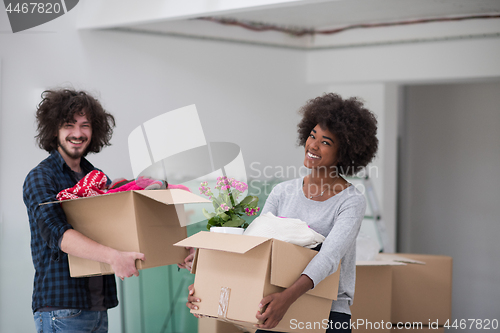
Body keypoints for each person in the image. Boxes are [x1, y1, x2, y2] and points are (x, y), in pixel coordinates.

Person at [186, 93, 378, 333]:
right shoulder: (282, 192)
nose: (313, 146)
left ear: (344, 153)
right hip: (274, 306)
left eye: (326, 142)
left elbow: (329, 258)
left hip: (326, 312)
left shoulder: (350, 201)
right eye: (312, 136)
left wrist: (287, 298)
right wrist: (209, 283)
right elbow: (255, 247)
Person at [23, 89, 146, 333]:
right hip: (62, 309)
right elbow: (57, 234)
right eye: (69, 125)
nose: (78, 133)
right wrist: (113, 257)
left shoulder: (98, 178)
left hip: (98, 307)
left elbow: (116, 233)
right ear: (54, 129)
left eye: (85, 125)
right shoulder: (40, 177)